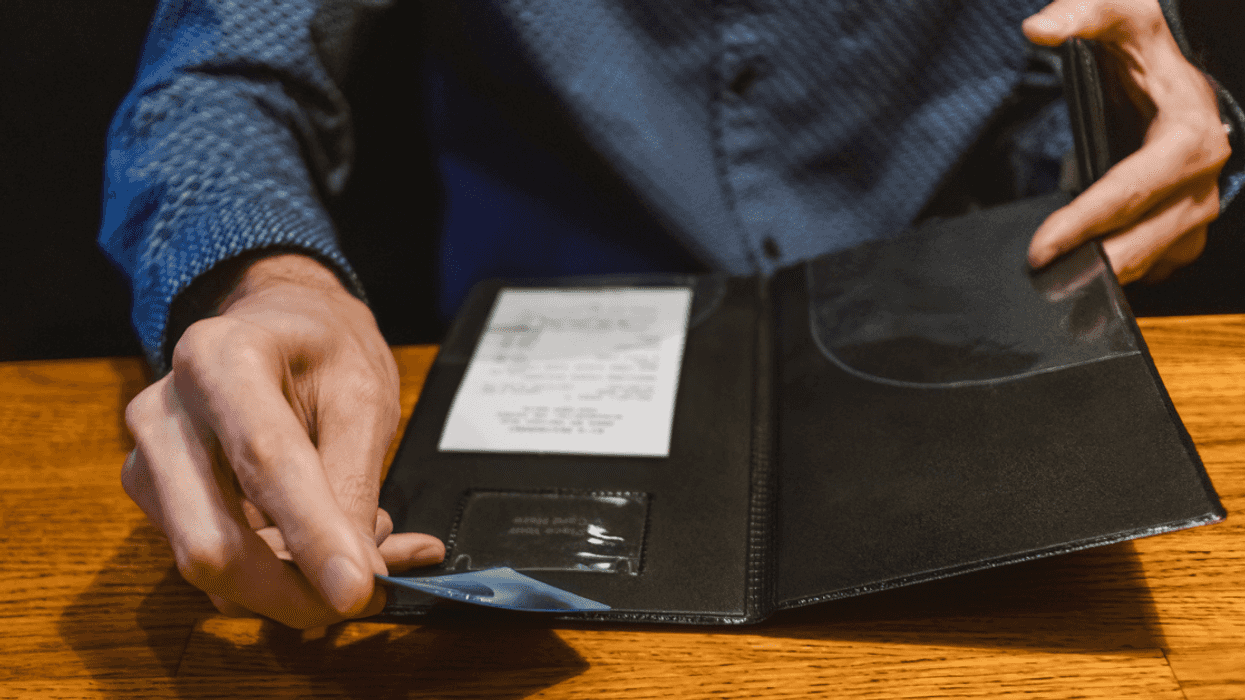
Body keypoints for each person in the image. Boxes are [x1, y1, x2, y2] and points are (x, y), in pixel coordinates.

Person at [101, 0, 1238, 628]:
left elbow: (1128, 52)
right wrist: (265, 278)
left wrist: (1168, 116)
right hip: (536, 372)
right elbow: (222, 77)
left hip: (973, 364)